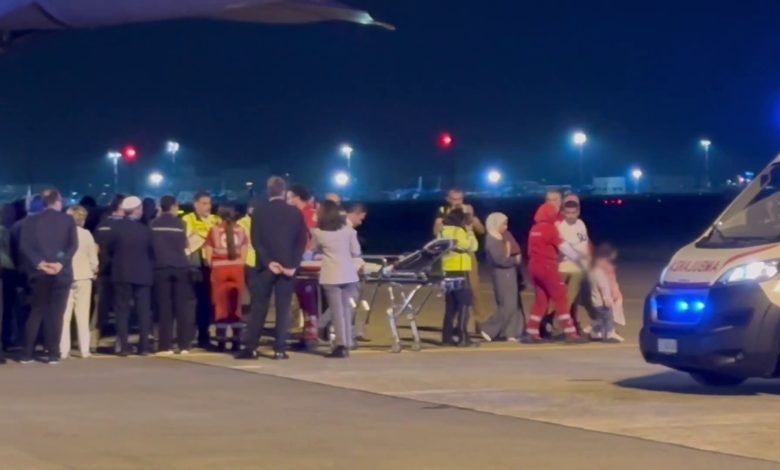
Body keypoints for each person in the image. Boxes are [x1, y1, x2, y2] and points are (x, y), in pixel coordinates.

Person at [239, 176, 307, 360]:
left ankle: (251, 348)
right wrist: (292, 265)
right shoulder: (295, 212)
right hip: (287, 267)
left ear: (268, 191)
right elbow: (301, 241)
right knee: (283, 308)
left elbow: (256, 240)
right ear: (284, 192)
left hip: (264, 267)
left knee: (259, 307)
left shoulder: (259, 212)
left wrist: (269, 262)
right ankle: (280, 349)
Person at [19, 189, 78, 364]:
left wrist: (40, 263)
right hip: (61, 273)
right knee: (56, 314)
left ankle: (27, 353)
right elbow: (72, 245)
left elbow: (24, 246)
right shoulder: (68, 220)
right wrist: (59, 262)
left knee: (36, 312)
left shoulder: (30, 220)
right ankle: (53, 354)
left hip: (38, 273)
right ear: (58, 201)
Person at [524, 203, 587, 344]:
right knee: (561, 298)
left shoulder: (534, 229)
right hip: (547, 266)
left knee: (541, 301)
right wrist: (578, 257)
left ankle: (531, 331)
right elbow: (564, 247)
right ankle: (570, 332)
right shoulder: (550, 229)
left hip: (533, 266)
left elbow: (529, 250)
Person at [311, 200, 362, 358]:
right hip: (349, 274)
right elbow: (356, 251)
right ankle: (347, 342)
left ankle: (340, 344)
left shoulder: (318, 233)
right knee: (346, 310)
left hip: (331, 275)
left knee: (337, 311)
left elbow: (314, 250)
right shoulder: (349, 232)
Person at [433, 189, 487, 326]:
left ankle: (481, 323)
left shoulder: (467, 210)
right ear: (448, 199)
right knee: (453, 293)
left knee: (474, 288)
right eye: (454, 199)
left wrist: (471, 217)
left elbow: (481, 230)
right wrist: (442, 222)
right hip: (451, 256)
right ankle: (454, 325)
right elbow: (436, 232)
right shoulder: (443, 211)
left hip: (467, 254)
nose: (457, 202)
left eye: (460, 199)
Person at [108, 196, 154, 356]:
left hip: (121, 273)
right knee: (143, 311)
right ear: (135, 210)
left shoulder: (115, 228)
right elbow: (152, 251)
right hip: (143, 274)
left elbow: (109, 249)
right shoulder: (145, 230)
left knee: (122, 311)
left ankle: (124, 347)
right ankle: (144, 347)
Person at [151, 195, 194, 355]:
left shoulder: (153, 224)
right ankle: (184, 345)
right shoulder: (181, 224)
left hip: (161, 268)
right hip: (180, 267)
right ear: (174, 206)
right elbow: (185, 245)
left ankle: (165, 345)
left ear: (160, 207)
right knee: (181, 307)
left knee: (165, 308)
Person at [204, 203, 249, 352]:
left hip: (219, 270)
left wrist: (214, 266)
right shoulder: (241, 231)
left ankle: (221, 341)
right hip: (236, 269)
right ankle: (236, 341)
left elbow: (208, 255)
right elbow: (244, 253)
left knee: (221, 306)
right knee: (236, 306)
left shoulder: (214, 231)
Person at [182, 191, 221, 349]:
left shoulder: (216, 219)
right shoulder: (188, 219)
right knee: (192, 303)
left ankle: (204, 336)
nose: (208, 207)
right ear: (195, 204)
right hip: (195, 266)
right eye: (204, 203)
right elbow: (187, 241)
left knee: (207, 303)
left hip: (212, 267)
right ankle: (188, 336)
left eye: (209, 203)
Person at [59, 205, 98, 359]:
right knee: (83, 314)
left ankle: (63, 349)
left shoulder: (62, 234)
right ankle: (84, 349)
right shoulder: (86, 234)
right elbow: (93, 257)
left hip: (66, 277)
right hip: (84, 277)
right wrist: (94, 270)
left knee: (64, 316)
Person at [480, 213, 524, 342]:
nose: (506, 227)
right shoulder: (492, 239)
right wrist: (514, 260)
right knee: (507, 304)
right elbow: (500, 259)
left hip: (509, 272)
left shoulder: (502, 236)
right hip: (502, 274)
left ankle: (511, 332)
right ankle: (488, 328)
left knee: (513, 304)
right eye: (503, 224)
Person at [438, 208, 479, 347]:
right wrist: (470, 232)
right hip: (460, 271)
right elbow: (472, 247)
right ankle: (463, 337)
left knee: (450, 306)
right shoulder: (458, 231)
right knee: (464, 304)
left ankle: (446, 338)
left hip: (447, 270)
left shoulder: (442, 231)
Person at [92, 194, 124, 351]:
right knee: (121, 308)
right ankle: (120, 342)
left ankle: (92, 340)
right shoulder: (123, 226)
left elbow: (95, 247)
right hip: (119, 271)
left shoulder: (101, 225)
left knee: (100, 308)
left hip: (102, 271)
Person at [556, 196, 590, 330]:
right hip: (563, 266)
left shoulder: (581, 224)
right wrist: (577, 254)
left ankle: (570, 323)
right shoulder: (560, 227)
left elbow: (584, 243)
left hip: (577, 267)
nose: (570, 216)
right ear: (563, 212)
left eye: (573, 213)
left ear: (578, 212)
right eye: (568, 213)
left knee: (573, 299)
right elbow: (563, 247)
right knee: (562, 298)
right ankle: (561, 323)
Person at [588, 243, 625, 343]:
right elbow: (603, 286)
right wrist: (606, 299)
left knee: (599, 319)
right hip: (602, 301)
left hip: (596, 301)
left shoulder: (593, 270)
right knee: (608, 318)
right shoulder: (599, 271)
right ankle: (610, 334)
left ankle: (596, 333)